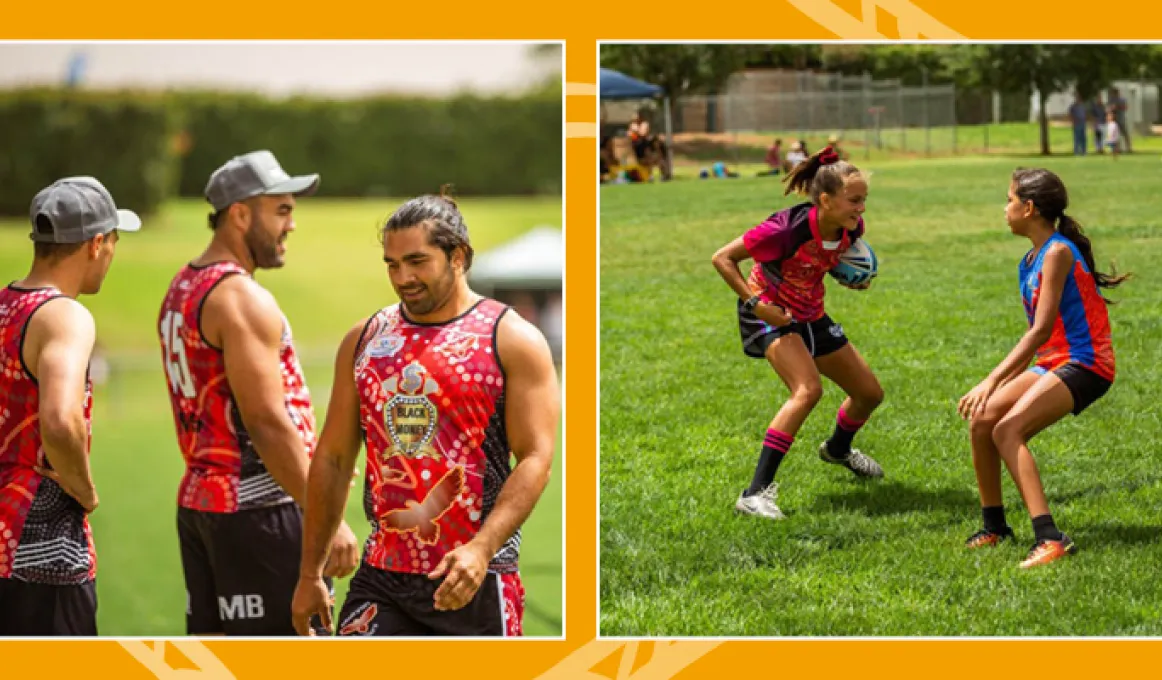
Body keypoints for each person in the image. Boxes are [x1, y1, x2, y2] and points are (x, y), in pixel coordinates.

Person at [292, 189, 559, 637]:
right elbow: (335, 458)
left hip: (474, 578)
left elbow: (536, 458)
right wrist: (308, 574)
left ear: (458, 256)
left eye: (417, 262)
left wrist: (481, 549)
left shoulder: (512, 339)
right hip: (381, 581)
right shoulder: (364, 340)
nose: (403, 278)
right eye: (392, 265)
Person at [158, 150, 359, 636]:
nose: (291, 225)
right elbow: (267, 422)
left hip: (203, 507)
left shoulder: (182, 286)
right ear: (240, 214)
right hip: (259, 514)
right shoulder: (240, 297)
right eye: (282, 210)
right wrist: (323, 516)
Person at [958, 168, 1128, 569]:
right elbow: (1042, 340)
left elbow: (1039, 332)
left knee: (1007, 428)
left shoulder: (1057, 252)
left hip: (1087, 363)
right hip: (1056, 361)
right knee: (983, 420)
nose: (1005, 208)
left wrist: (992, 379)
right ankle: (994, 527)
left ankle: (1050, 537)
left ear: (1029, 207)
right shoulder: (1030, 259)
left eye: (1009, 199)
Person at [710, 146, 885, 521]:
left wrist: (853, 278)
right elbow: (722, 258)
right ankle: (754, 494)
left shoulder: (852, 228)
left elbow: (832, 261)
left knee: (869, 394)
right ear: (825, 200)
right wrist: (755, 304)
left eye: (864, 200)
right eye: (854, 200)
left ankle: (838, 450)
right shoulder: (783, 230)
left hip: (811, 313)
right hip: (769, 314)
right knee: (808, 391)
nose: (862, 209)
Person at [0, 177, 140, 635]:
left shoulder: (5, 305)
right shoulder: (64, 316)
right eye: (115, 241)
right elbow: (60, 420)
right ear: (96, 243)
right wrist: (84, 488)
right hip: (41, 548)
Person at [1107, 87, 1131, 153]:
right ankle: (1117, 149)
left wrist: (1118, 107)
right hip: (1114, 121)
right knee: (1116, 135)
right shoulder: (1111, 100)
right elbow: (1108, 109)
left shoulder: (1122, 100)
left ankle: (1129, 148)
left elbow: (1126, 107)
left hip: (1121, 119)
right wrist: (1112, 108)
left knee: (1125, 134)